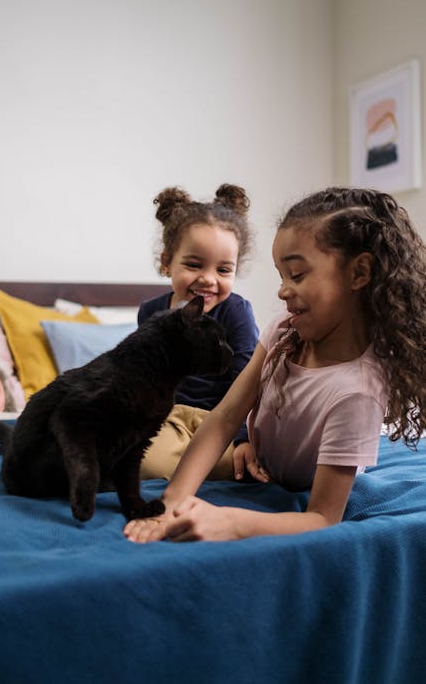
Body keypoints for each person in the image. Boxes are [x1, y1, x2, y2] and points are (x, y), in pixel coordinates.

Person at [125, 186, 426, 542]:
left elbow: (322, 519)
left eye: (296, 275)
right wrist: (173, 499)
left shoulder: (357, 392)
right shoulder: (284, 330)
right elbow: (225, 416)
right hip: (257, 458)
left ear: (359, 273)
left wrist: (229, 522)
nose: (282, 291)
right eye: (281, 276)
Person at [139, 184, 259, 480]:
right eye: (194, 265)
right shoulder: (151, 313)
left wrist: (244, 437)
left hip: (222, 421)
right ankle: (189, 467)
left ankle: (196, 466)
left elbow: (247, 383)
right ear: (167, 262)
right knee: (145, 464)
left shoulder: (236, 312)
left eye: (223, 270)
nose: (207, 279)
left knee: (254, 462)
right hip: (168, 419)